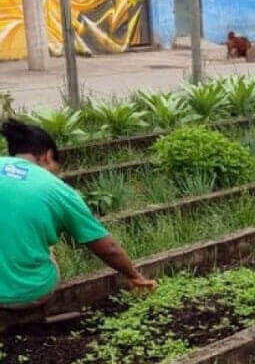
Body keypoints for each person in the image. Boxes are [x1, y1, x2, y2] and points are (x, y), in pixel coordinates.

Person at [0, 119, 156, 312]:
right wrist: (134, 276)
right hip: (27, 293)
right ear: (48, 156)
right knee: (48, 248)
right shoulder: (55, 188)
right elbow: (108, 248)